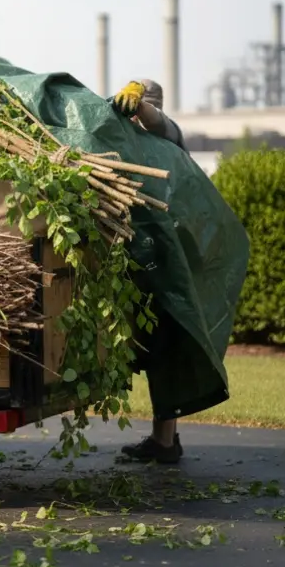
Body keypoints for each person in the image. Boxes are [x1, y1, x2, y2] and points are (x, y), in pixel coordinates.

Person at [110, 78, 186, 464]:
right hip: (144, 260)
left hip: (167, 266)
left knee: (164, 350)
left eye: (136, 109)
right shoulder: (127, 145)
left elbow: (160, 124)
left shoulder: (169, 138)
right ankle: (165, 438)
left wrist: (143, 106)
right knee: (154, 349)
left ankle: (165, 442)